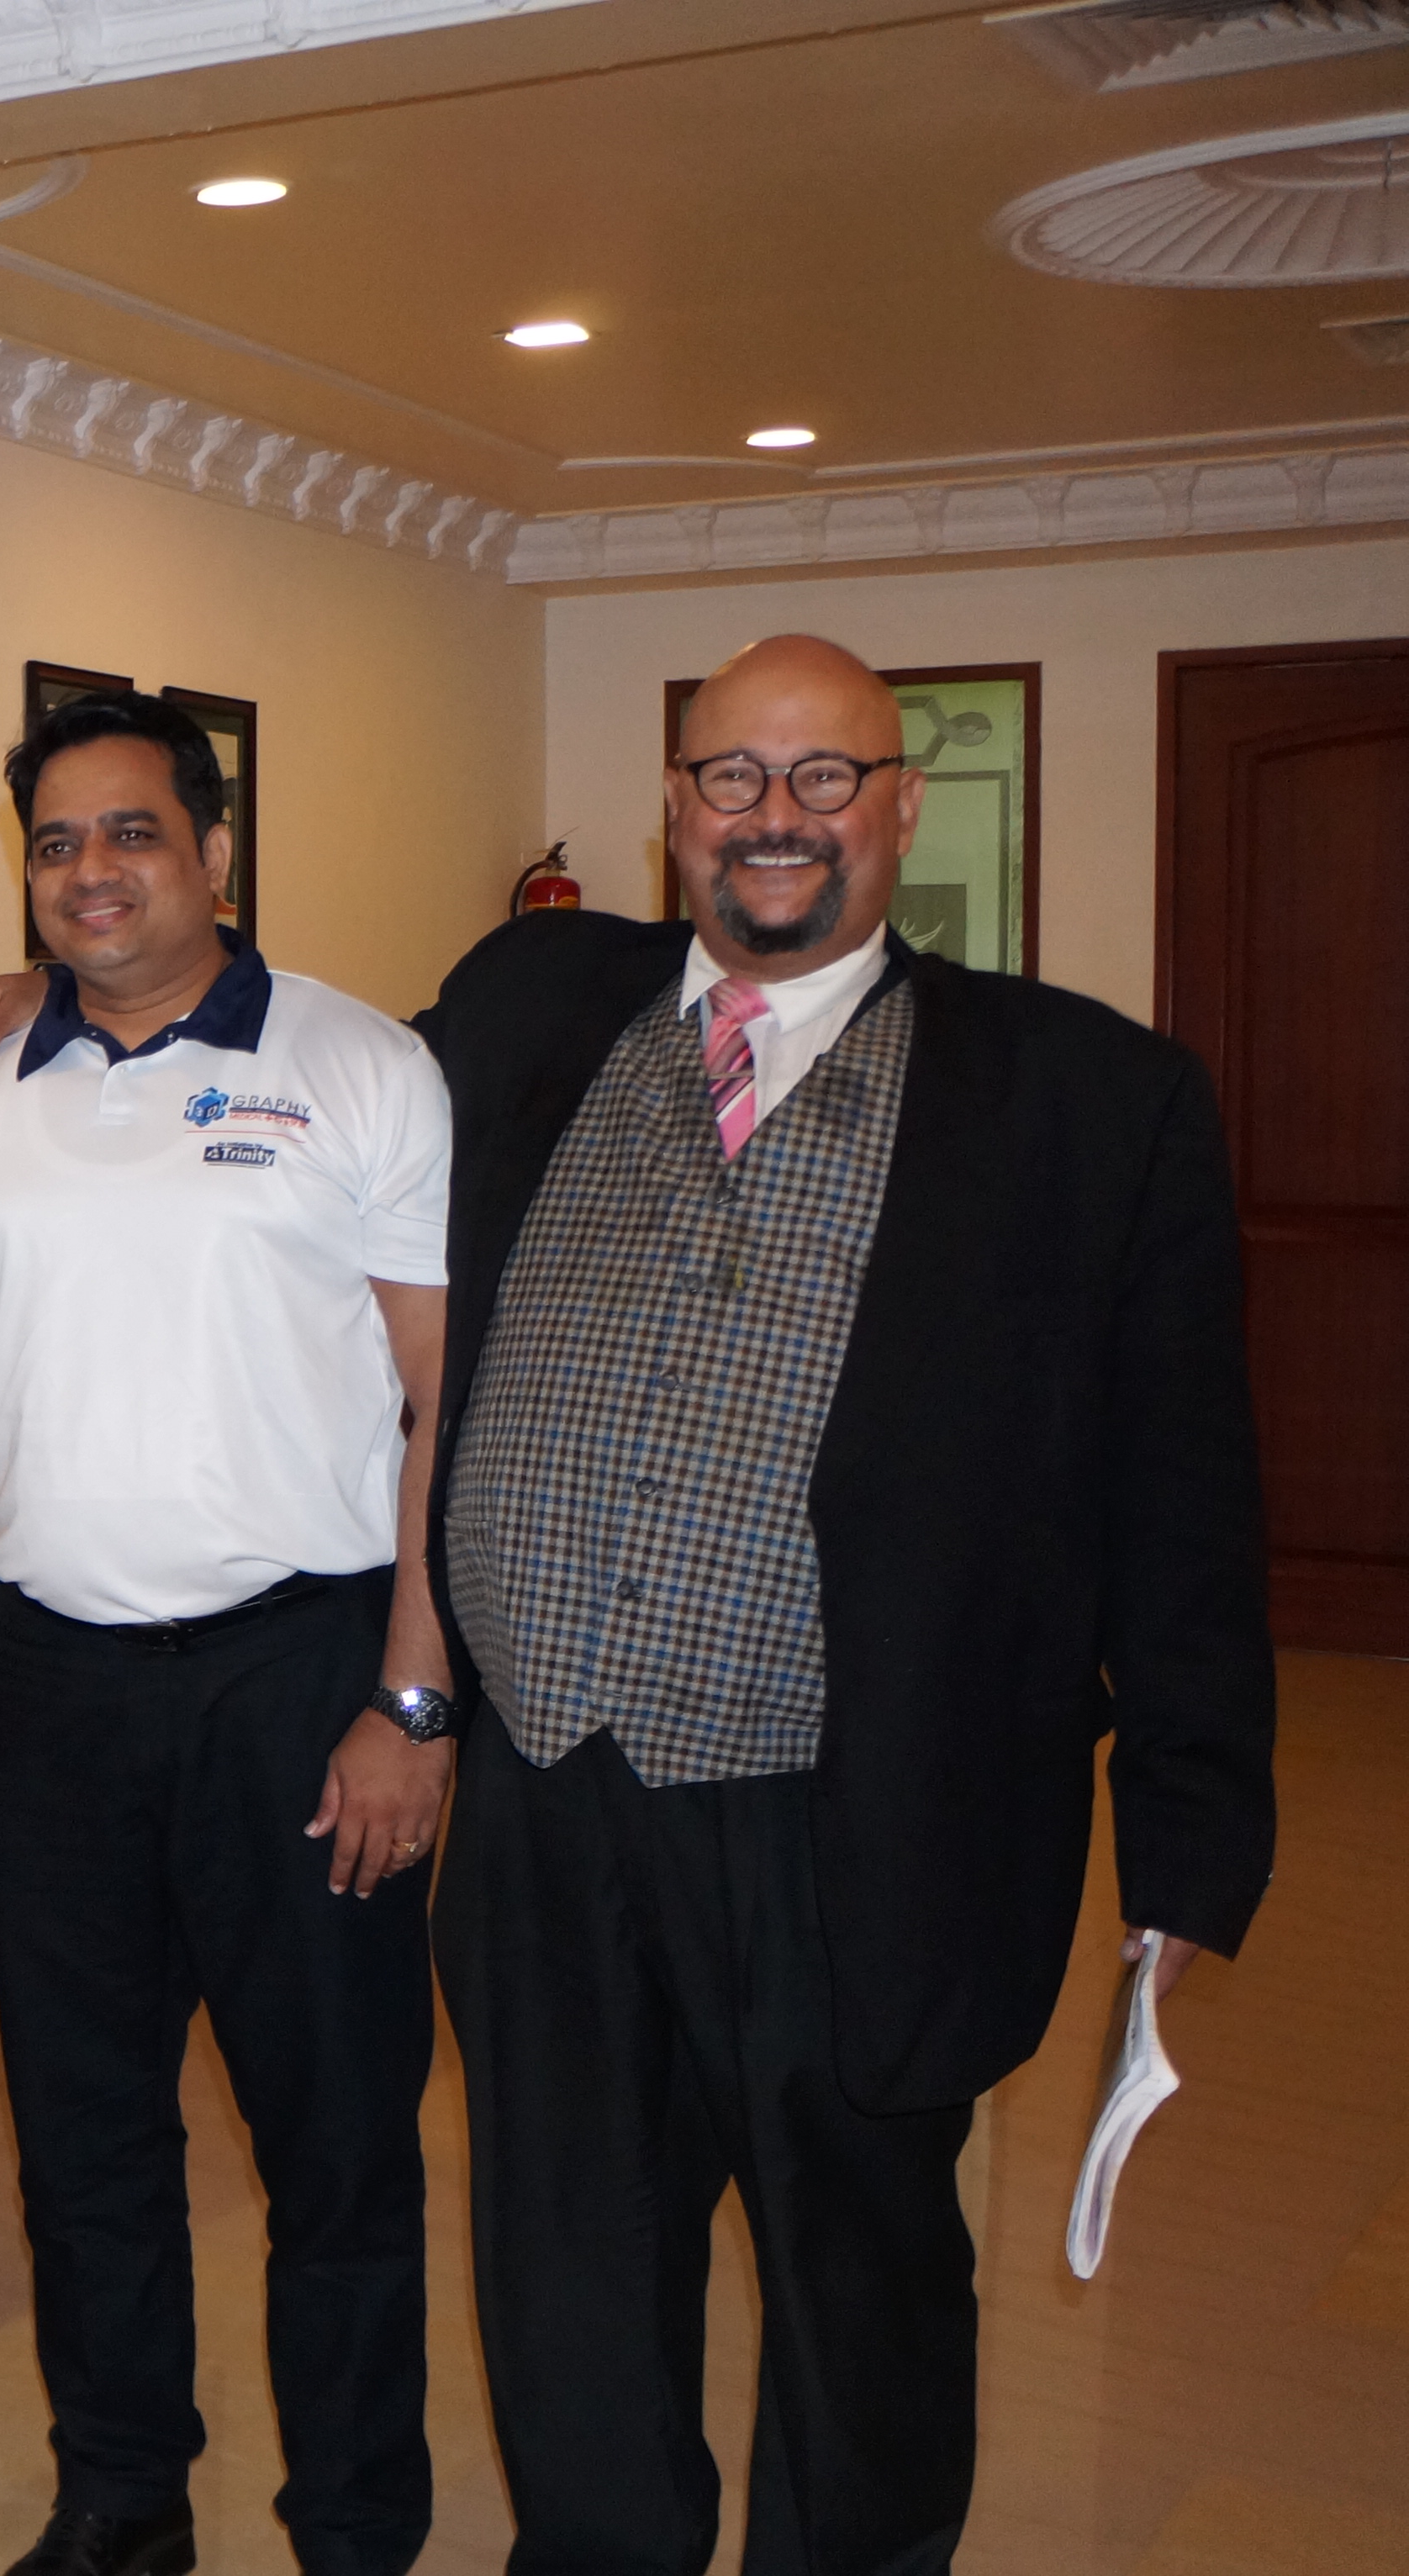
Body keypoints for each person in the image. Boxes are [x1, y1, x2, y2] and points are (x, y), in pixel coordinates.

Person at [412, 635, 1273, 2571]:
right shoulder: (531, 1002)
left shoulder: (1086, 1096)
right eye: (732, 776)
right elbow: (288, 1090)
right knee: (564, 2260)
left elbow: (1184, 1492)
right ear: (672, 807)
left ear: (899, 806)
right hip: (546, 1793)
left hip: (854, 1808)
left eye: (824, 778)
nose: (774, 818)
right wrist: (48, 1004)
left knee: (855, 2280)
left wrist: (1188, 1835)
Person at [0, 691, 456, 2576]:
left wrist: (412, 1695)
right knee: (85, 2143)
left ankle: (355, 2522)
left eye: (132, 830)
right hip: (45, 1689)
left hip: (298, 1681)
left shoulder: (359, 1065)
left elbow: (441, 1397)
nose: (92, 871)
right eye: (54, 842)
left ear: (212, 850)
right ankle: (121, 2499)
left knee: (337, 2147)